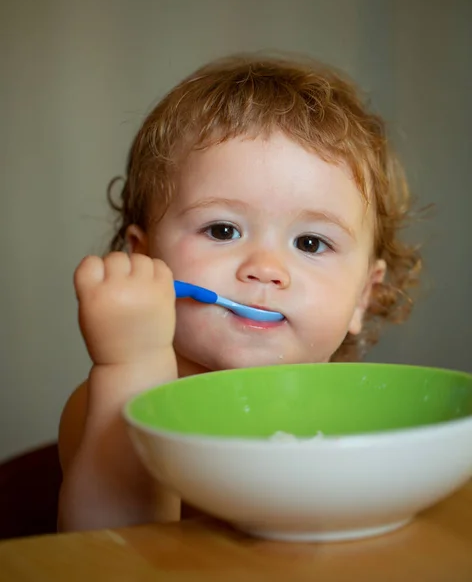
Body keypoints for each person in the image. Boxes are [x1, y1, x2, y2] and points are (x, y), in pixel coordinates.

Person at [57, 53, 421, 532]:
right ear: (144, 260)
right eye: (223, 230)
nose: (266, 270)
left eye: (310, 243)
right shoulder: (107, 399)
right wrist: (132, 363)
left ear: (361, 298)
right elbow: (112, 555)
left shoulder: (358, 417)